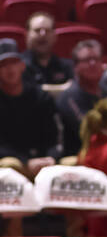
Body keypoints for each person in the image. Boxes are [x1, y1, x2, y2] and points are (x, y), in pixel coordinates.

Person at [0, 39, 59, 181]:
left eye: (14, 62)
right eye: (3, 65)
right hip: (13, 163)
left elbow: (54, 136)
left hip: (43, 161)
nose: (10, 69)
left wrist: (51, 157)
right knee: (10, 164)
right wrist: (26, 161)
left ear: (22, 65)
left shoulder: (40, 97)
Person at [57, 39, 107, 160]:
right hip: (78, 157)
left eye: (96, 59)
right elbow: (88, 131)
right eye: (87, 60)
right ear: (75, 67)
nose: (93, 63)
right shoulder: (68, 97)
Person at [22, 12, 73, 93]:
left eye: (47, 30)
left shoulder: (68, 67)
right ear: (27, 36)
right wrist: (63, 88)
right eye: (37, 30)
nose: (43, 34)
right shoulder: (18, 66)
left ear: (54, 36)